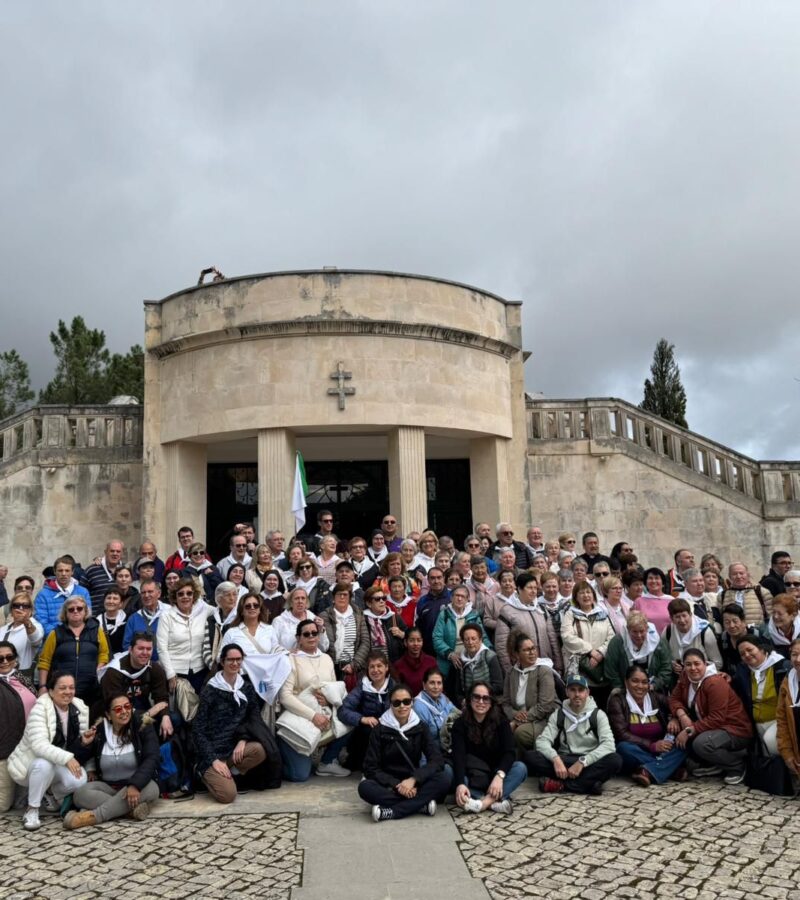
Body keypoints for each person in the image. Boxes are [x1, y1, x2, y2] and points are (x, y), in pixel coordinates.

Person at [191, 643, 281, 802]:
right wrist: (213, 760)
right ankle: (204, 774)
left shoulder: (246, 687)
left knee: (259, 749)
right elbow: (198, 730)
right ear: (222, 662)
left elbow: (253, 719)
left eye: (238, 660)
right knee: (227, 796)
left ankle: (231, 772)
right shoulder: (210, 690)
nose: (235, 663)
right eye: (230, 660)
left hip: (233, 750)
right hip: (212, 753)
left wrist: (243, 739)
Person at [8, 671, 90, 831]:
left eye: (71, 687)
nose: (68, 692)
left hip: (57, 761)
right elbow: (39, 745)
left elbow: (73, 747)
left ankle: (49, 793)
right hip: (29, 765)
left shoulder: (79, 708)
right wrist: (67, 758)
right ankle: (32, 809)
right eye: (62, 688)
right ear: (51, 691)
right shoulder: (40, 708)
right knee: (44, 764)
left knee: (80, 779)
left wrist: (83, 742)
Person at [359, 682, 449, 822]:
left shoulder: (420, 727)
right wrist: (397, 785)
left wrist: (413, 780)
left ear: (412, 702)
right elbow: (370, 767)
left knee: (444, 778)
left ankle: (392, 812)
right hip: (388, 784)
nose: (402, 706)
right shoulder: (380, 729)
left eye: (406, 701)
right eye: (397, 703)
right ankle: (419, 805)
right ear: (391, 704)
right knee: (365, 787)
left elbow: (437, 760)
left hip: (413, 780)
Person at [67, 693, 160, 828]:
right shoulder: (99, 730)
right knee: (80, 794)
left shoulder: (143, 724)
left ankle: (92, 817)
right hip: (108, 788)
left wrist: (135, 785)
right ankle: (128, 811)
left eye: (127, 707)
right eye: (118, 709)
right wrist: (84, 743)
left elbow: (152, 757)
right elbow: (76, 757)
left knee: (152, 789)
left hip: (138, 786)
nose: (124, 712)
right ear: (109, 715)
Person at [524, 674, 622, 795]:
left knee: (615, 760)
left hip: (589, 761)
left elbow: (609, 745)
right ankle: (589, 784)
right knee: (531, 756)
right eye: (573, 690)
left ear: (587, 692)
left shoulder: (598, 715)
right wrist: (556, 759)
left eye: (581, 690)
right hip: (565, 759)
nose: (577, 694)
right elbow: (542, 741)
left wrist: (583, 762)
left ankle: (561, 785)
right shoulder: (559, 714)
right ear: (566, 692)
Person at [277, 621, 351, 781]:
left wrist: (329, 700)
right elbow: (285, 696)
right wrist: (313, 716)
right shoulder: (290, 659)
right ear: (299, 638)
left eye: (314, 633)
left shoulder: (326, 659)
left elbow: (333, 687)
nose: (311, 636)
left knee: (351, 717)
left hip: (324, 714)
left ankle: (327, 762)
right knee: (300, 776)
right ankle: (280, 759)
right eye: (306, 634)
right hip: (300, 719)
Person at [669, 648, 753, 784]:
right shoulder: (685, 677)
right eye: (688, 664)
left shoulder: (714, 682)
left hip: (734, 729)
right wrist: (681, 714)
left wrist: (689, 731)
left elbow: (717, 718)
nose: (693, 668)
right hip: (710, 727)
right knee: (674, 732)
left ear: (705, 664)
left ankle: (738, 766)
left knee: (702, 744)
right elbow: (674, 698)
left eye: (697, 663)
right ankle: (716, 764)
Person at [452, 681, 528, 814]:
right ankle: (495, 803)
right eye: (476, 697)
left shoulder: (501, 721)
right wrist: (460, 784)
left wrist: (500, 776)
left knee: (520, 768)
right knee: (457, 779)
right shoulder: (460, 724)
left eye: (485, 698)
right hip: (473, 775)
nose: (481, 702)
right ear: (470, 700)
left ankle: (483, 803)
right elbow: (459, 756)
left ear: (491, 701)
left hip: (496, 775)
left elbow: (509, 752)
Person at [607, 663, 687, 786]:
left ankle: (646, 770)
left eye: (644, 682)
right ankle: (670, 769)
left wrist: (675, 718)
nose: (640, 686)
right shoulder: (617, 701)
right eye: (635, 681)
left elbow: (676, 704)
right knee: (623, 748)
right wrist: (652, 745)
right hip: (637, 751)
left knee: (684, 743)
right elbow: (621, 734)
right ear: (626, 682)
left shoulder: (655, 697)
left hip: (662, 749)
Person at [37, 595, 109, 706]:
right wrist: (42, 686)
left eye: (79, 608)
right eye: (71, 609)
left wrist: (97, 672)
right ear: (65, 613)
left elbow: (104, 654)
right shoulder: (55, 633)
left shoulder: (97, 631)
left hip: (90, 689)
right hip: (62, 690)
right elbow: (44, 661)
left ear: (85, 611)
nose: (75, 611)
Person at [100, 633, 173, 740]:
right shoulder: (114, 672)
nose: (145, 653)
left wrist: (165, 716)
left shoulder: (155, 669)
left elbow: (161, 698)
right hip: (120, 716)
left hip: (143, 709)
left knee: (172, 721)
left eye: (149, 649)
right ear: (130, 649)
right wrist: (150, 712)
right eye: (140, 648)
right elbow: (116, 710)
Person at [731, 635, 790, 756]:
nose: (746, 655)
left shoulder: (782, 666)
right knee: (766, 758)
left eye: (750, 650)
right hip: (756, 723)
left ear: (762, 649)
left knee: (772, 743)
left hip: (779, 720)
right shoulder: (743, 670)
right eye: (742, 654)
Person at [338, 650, 395, 770]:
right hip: (366, 735)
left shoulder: (394, 688)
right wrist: (362, 719)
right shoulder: (362, 687)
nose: (375, 670)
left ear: (386, 668)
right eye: (372, 667)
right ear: (367, 670)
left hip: (390, 731)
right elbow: (343, 710)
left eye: (379, 666)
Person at [501, 632, 559, 752]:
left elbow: (546, 705)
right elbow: (505, 703)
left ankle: (527, 763)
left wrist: (519, 721)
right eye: (526, 650)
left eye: (533, 648)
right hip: (519, 718)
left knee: (520, 733)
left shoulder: (543, 670)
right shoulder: (511, 673)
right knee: (500, 730)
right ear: (517, 654)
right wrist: (514, 714)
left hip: (544, 719)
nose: (532, 652)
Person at [495, 573, 562, 674]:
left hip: (546, 664)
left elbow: (552, 639)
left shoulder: (541, 609)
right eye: (529, 587)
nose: (534, 591)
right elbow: (502, 644)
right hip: (521, 668)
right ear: (519, 589)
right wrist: (509, 670)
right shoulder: (507, 611)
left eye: (535, 587)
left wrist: (558, 665)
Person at [156, 577, 214, 693]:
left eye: (189, 593)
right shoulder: (166, 616)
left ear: (194, 596)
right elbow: (161, 648)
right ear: (175, 597)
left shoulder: (204, 610)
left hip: (200, 671)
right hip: (176, 673)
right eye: (180, 594)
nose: (185, 596)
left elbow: (223, 612)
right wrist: (170, 674)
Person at [0, 641, 37, 811]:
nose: (5, 661)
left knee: (21, 802)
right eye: (0, 659)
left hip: (28, 746)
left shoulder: (23, 678)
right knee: (3, 804)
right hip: (5, 747)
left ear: (15, 658)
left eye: (9, 657)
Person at [560, 582, 614, 696]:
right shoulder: (570, 614)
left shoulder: (602, 614)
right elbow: (567, 636)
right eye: (582, 593)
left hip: (601, 667)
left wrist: (600, 653)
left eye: (588, 592)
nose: (586, 595)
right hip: (580, 668)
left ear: (594, 596)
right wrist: (590, 650)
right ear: (576, 597)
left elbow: (611, 637)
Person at [661, 598, 723, 686]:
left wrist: (695, 669)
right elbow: (664, 658)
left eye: (684, 615)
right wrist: (672, 665)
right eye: (677, 617)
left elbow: (718, 663)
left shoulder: (705, 631)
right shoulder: (667, 631)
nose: (682, 620)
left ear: (690, 614)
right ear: (671, 618)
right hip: (678, 681)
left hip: (703, 680)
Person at [604, 611, 672, 692]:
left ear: (647, 629)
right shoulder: (617, 642)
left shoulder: (657, 642)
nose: (639, 635)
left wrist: (654, 685)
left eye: (642, 631)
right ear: (628, 630)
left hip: (652, 688)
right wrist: (623, 688)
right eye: (635, 632)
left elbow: (666, 667)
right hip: (624, 689)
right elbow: (611, 670)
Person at [432, 585, 488, 681]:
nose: (459, 599)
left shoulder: (473, 615)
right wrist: (450, 654)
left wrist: (490, 652)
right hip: (449, 662)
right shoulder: (444, 615)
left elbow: (483, 637)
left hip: (472, 659)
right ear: (451, 598)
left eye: (463, 596)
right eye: (457, 595)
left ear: (467, 600)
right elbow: (437, 638)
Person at [319, 581, 369, 684]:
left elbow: (365, 641)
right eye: (339, 594)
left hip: (352, 667)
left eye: (345, 594)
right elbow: (323, 645)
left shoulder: (358, 615)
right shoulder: (324, 616)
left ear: (350, 598)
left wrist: (354, 664)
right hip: (330, 667)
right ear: (333, 598)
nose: (342, 597)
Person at [34, 556, 92, 639]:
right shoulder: (43, 595)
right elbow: (42, 622)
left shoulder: (83, 592)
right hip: (54, 640)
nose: (64, 574)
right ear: (54, 571)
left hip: (80, 640)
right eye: (60, 570)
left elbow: (87, 618)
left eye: (67, 570)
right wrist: (62, 636)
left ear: (72, 572)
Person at [219, 593, 283, 658]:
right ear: (241, 611)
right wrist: (235, 655)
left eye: (256, 605)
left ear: (259, 609)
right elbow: (220, 657)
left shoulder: (269, 629)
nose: (252, 608)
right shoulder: (231, 632)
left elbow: (276, 650)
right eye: (248, 606)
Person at [413, 667, 457, 753]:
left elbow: (456, 713)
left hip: (450, 746)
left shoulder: (443, 698)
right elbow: (425, 740)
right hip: (432, 752)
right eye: (432, 683)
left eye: (439, 683)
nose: (436, 687)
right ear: (424, 685)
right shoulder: (418, 707)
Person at [273, 588, 330, 653]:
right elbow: (273, 646)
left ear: (306, 602)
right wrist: (288, 652)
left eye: (303, 598)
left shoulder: (314, 619)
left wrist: (321, 630)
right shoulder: (279, 621)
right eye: (297, 598)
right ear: (291, 602)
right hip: (287, 660)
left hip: (310, 660)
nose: (300, 601)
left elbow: (324, 648)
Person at [0, 591, 43, 677]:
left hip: (22, 677)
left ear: (30, 610)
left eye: (25, 606)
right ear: (11, 610)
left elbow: (36, 639)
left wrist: (27, 622)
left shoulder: (36, 626)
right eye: (16, 605)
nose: (20, 608)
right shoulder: (3, 630)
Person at [123, 579, 168, 659]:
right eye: (143, 592)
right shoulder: (134, 618)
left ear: (159, 593)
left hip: (169, 664)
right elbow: (127, 645)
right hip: (142, 666)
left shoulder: (169, 612)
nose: (146, 595)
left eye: (150, 592)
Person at [775, 638, 800, 780]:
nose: (798, 660)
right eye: (794, 654)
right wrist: (787, 752)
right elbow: (782, 719)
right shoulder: (788, 682)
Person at [362, 585, 407, 662]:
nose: (382, 601)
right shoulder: (362, 619)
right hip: (371, 665)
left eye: (383, 598)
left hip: (393, 664)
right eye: (377, 599)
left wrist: (402, 634)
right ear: (369, 603)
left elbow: (409, 637)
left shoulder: (394, 617)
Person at [201, 581, 239, 672]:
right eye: (227, 595)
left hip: (236, 669)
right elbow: (206, 648)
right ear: (219, 599)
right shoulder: (211, 620)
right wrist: (216, 668)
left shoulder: (240, 619)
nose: (232, 598)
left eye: (234, 594)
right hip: (214, 670)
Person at [81, 541, 125, 616]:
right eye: (112, 551)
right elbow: (81, 595)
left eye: (118, 551)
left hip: (118, 619)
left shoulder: (125, 571)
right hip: (95, 619)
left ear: (122, 554)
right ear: (105, 552)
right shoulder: (91, 570)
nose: (115, 553)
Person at [719, 604, 763, 676]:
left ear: (743, 621)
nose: (732, 626)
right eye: (727, 622)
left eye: (735, 621)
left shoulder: (756, 635)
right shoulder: (723, 639)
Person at [414, 568, 450, 656]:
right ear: (428, 580)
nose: (436, 581)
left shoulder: (453, 597)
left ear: (444, 578)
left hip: (449, 649)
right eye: (432, 578)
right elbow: (417, 626)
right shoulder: (422, 601)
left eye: (439, 577)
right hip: (428, 650)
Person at [392, 628, 436, 696]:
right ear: (405, 642)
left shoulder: (431, 662)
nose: (416, 644)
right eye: (412, 641)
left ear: (422, 642)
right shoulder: (398, 665)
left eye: (419, 640)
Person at [632, 568, 673, 635]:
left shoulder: (672, 600)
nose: (653, 581)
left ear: (663, 583)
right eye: (650, 578)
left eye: (657, 578)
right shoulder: (639, 601)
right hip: (646, 641)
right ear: (646, 582)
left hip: (669, 639)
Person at [766, 593, 800, 659]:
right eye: (773, 612)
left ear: (793, 615)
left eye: (780, 613)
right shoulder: (765, 633)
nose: (775, 617)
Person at [97, 588, 128, 656]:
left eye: (115, 598)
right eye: (109, 598)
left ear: (121, 604)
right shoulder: (97, 622)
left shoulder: (127, 620)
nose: (111, 601)